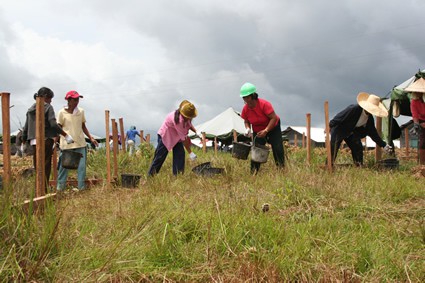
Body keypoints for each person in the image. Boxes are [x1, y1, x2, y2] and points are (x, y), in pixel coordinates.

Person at [22, 87, 72, 191]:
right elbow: (53, 124)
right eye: (50, 98)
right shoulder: (48, 107)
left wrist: (23, 141)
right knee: (45, 166)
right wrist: (65, 135)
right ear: (45, 97)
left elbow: (26, 127)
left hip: (34, 141)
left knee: (37, 167)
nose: (51, 100)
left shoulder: (30, 109)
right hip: (45, 139)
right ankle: (43, 191)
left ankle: (38, 190)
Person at [329, 92, 393, 166]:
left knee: (358, 148)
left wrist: (384, 145)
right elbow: (339, 117)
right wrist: (329, 126)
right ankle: (329, 166)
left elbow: (373, 134)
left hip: (352, 133)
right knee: (333, 148)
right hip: (340, 129)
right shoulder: (354, 109)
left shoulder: (369, 119)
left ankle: (358, 165)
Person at [56, 90, 99, 191]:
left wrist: (91, 138)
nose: (77, 102)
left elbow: (83, 126)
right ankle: (60, 189)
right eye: (74, 99)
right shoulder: (61, 113)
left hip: (80, 143)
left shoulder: (81, 111)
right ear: (69, 100)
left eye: (78, 99)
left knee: (81, 168)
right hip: (67, 145)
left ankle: (81, 188)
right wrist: (55, 141)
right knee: (64, 168)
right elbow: (58, 128)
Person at [239, 82, 285, 174]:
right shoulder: (245, 109)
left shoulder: (264, 104)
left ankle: (281, 170)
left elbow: (273, 118)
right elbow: (246, 121)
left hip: (272, 128)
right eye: (244, 97)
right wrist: (247, 128)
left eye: (247, 97)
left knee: (277, 148)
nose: (246, 100)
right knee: (256, 149)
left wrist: (266, 130)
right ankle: (254, 172)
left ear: (253, 95)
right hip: (258, 130)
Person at [148, 100, 199, 176]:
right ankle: (151, 175)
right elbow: (184, 139)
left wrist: (196, 131)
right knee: (160, 156)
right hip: (166, 136)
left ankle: (178, 176)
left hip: (176, 137)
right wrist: (190, 152)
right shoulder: (179, 120)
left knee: (180, 154)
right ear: (185, 115)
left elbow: (189, 124)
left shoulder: (185, 117)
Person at [405, 77, 425, 164]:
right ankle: (422, 164)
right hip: (421, 122)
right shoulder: (414, 102)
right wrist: (417, 124)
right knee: (422, 143)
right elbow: (415, 115)